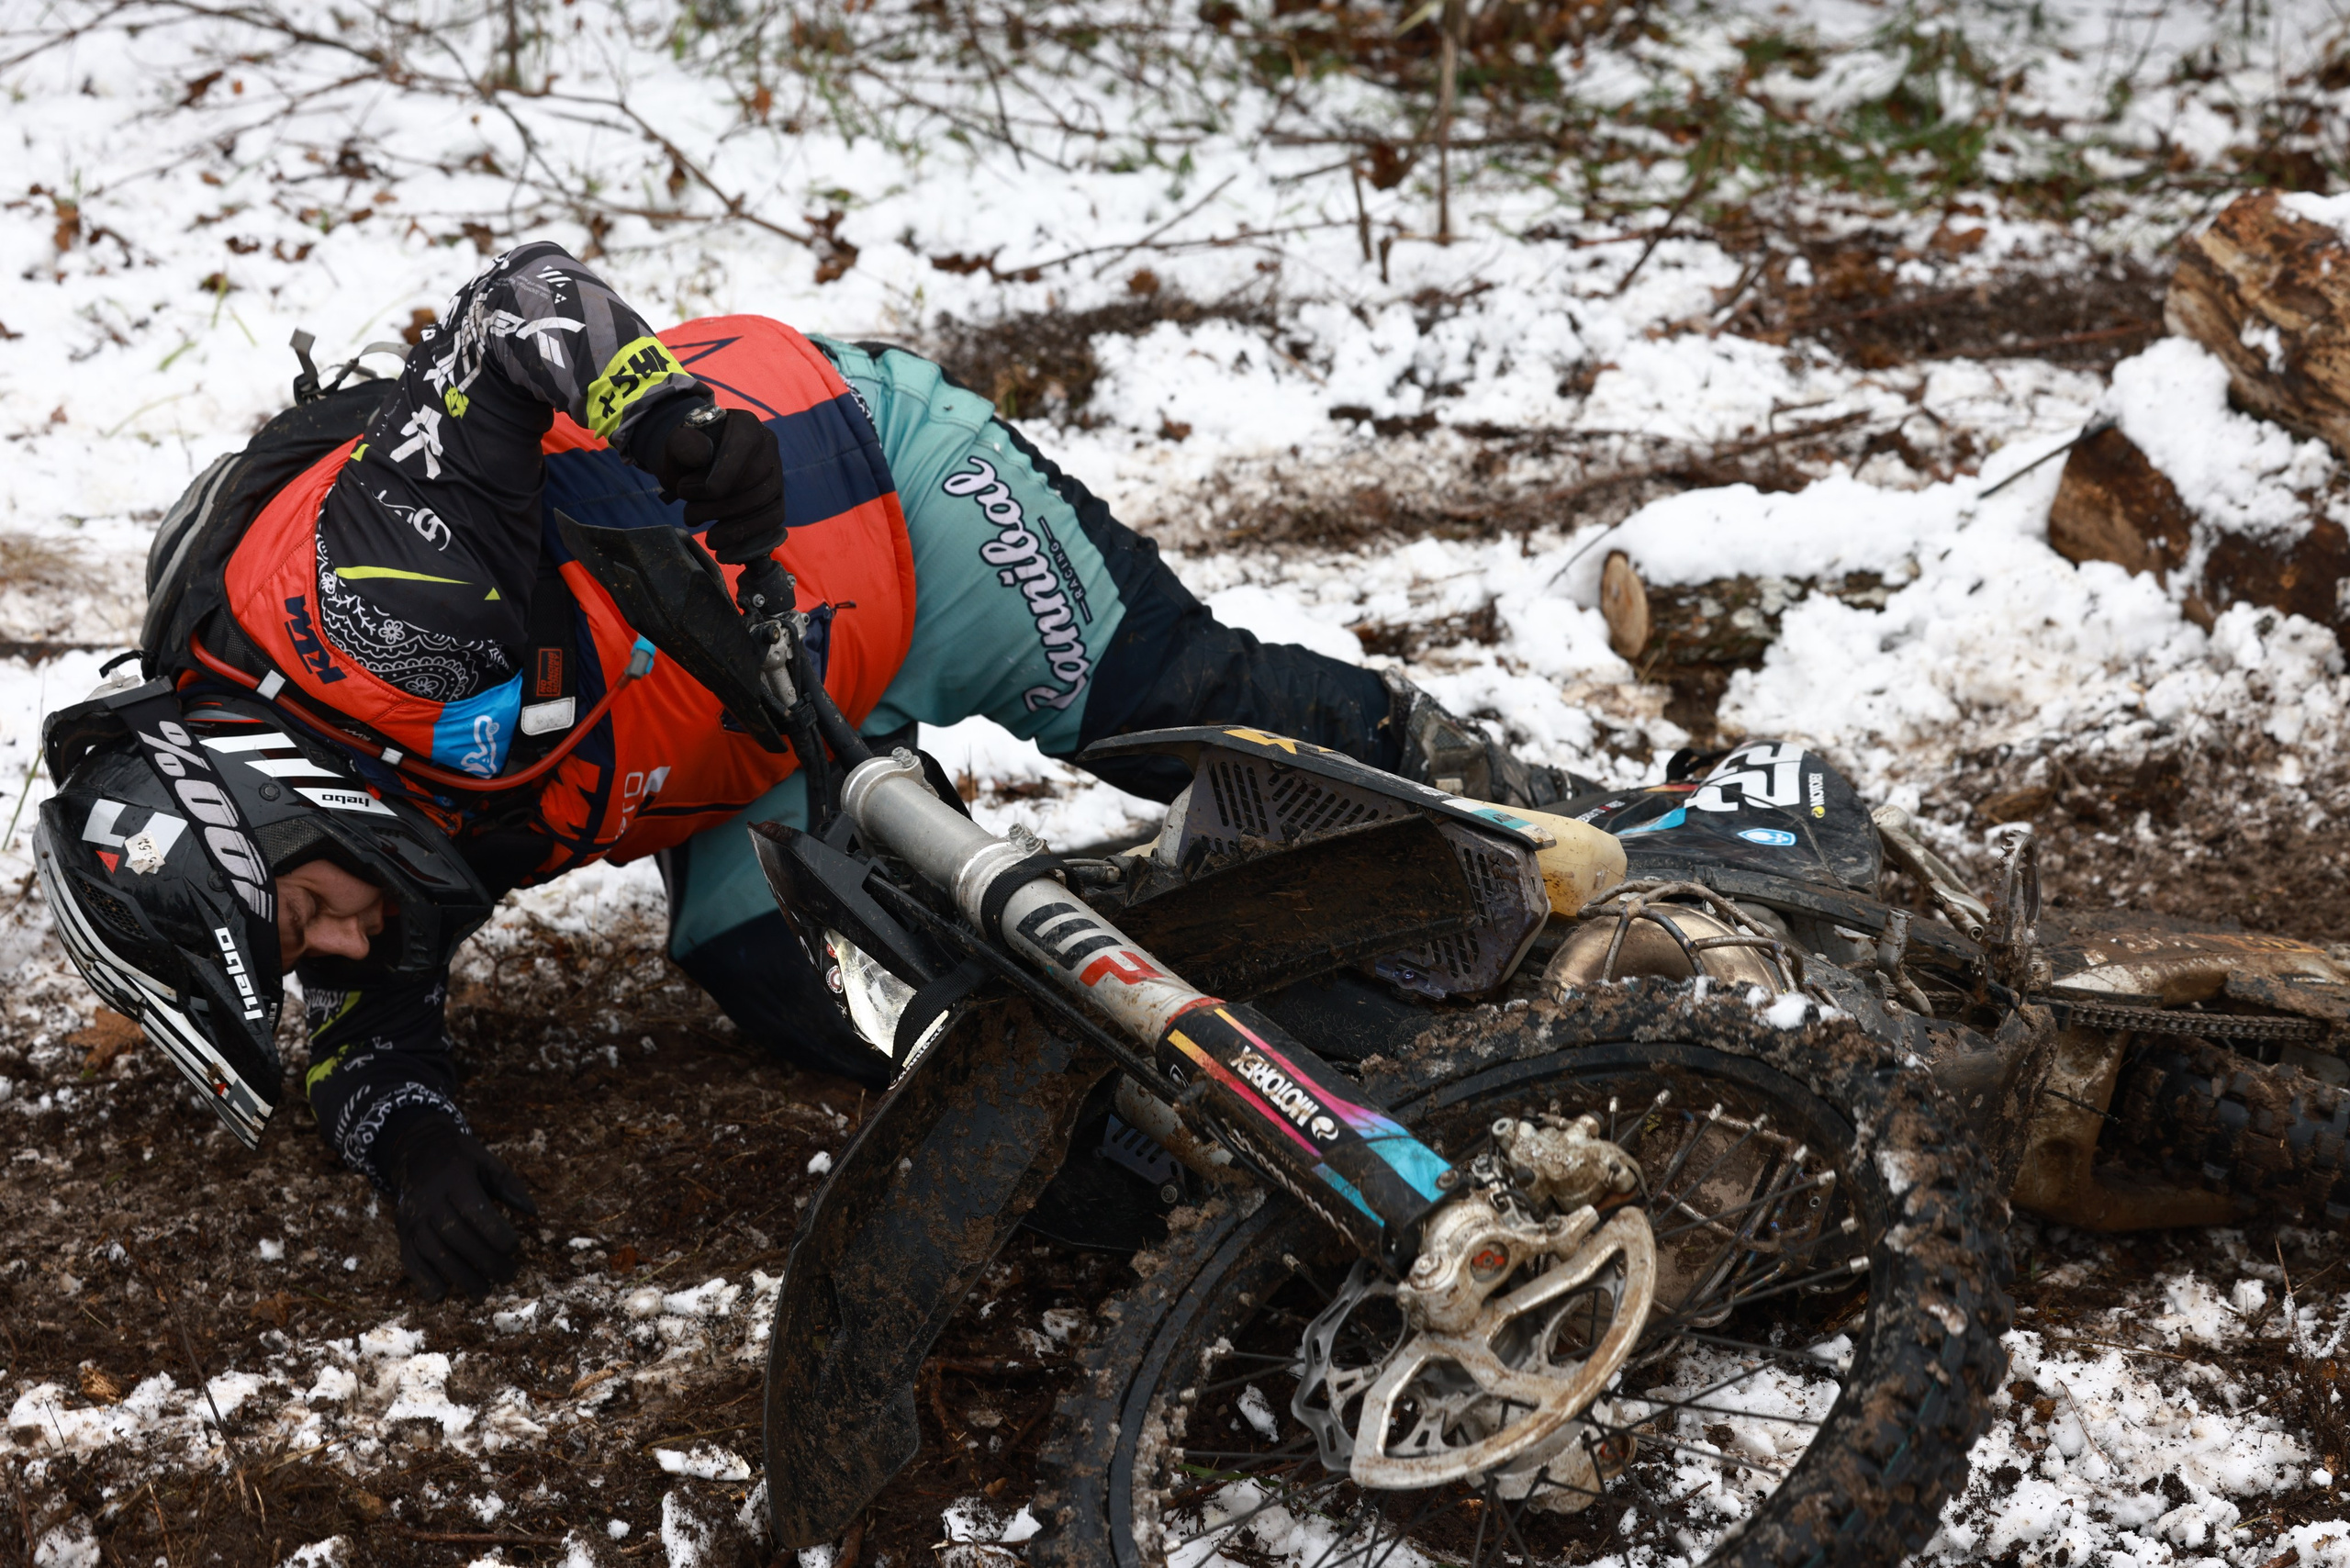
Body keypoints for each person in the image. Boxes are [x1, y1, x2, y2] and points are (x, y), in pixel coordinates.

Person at [34, 241, 1588, 1303]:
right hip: (759, 743)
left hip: (892, 507)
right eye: (311, 951)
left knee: (1181, 716)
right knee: (858, 1008)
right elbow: (364, 1027)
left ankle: (1558, 829)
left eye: (308, 916)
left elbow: (518, 308)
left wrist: (659, 412)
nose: (351, 946)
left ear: (259, 797)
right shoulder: (344, 824)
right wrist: (407, 1137)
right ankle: (1271, 1092)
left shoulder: (383, 610)